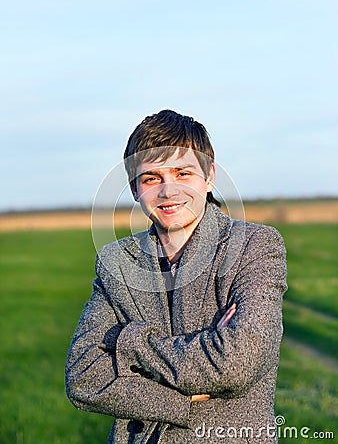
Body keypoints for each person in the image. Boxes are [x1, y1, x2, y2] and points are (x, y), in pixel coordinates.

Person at [65, 109, 287, 443]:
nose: (168, 192)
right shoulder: (116, 262)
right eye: (152, 178)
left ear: (209, 176)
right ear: (135, 188)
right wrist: (180, 400)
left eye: (183, 173)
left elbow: (237, 364)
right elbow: (83, 377)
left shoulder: (254, 247)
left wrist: (128, 343)